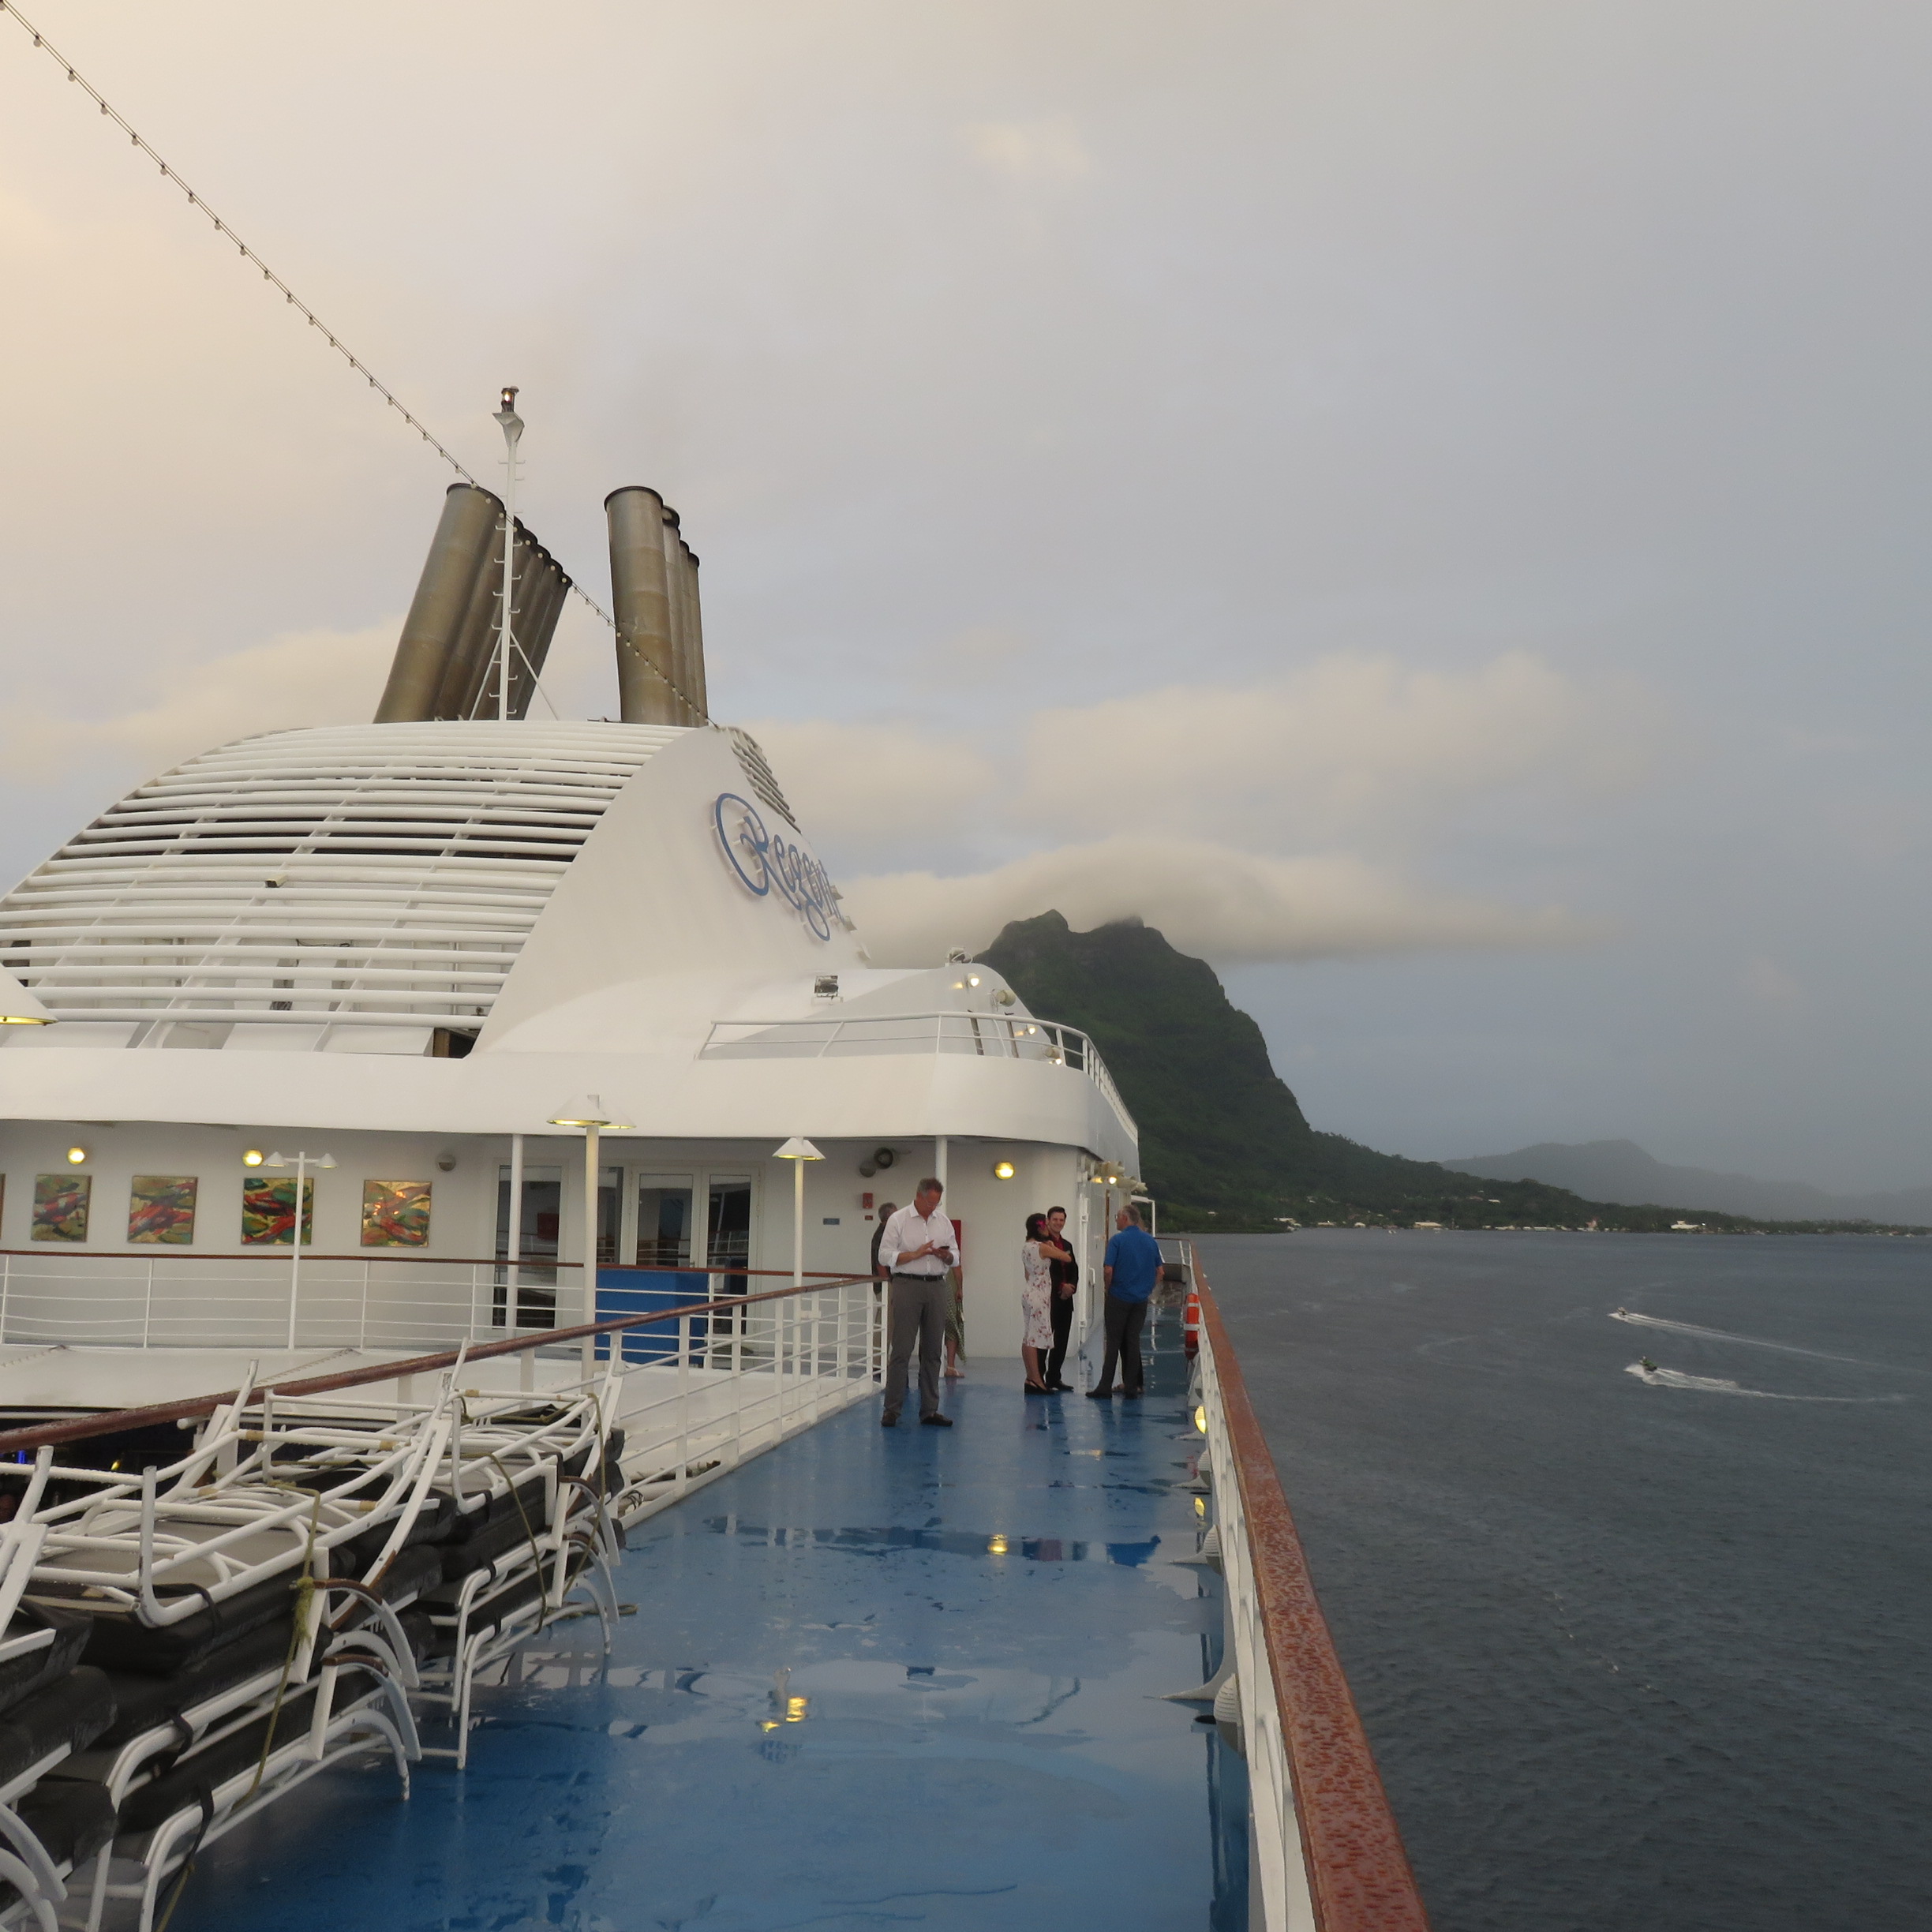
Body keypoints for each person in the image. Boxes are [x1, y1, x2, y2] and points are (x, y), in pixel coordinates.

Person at [876, 1179, 958, 1427]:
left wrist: (946, 1255)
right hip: (907, 1285)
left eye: (937, 1203)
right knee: (901, 1350)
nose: (933, 1208)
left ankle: (930, 1410)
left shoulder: (943, 1222)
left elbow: (956, 1256)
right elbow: (884, 1255)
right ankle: (892, 1410)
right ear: (918, 1196)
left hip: (936, 1286)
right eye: (930, 1202)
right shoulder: (898, 1219)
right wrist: (915, 1254)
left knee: (933, 1351)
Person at [1088, 1204, 1161, 1399]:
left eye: (1117, 1217)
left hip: (1119, 1297)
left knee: (1113, 1342)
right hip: (1140, 1300)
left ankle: (1104, 1386)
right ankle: (1131, 1387)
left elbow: (1108, 1269)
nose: (1116, 1220)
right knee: (1133, 1341)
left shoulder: (1117, 1240)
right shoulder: (1150, 1241)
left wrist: (1108, 1288)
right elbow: (1160, 1271)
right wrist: (1147, 1289)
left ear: (1125, 1218)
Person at [1040, 1204, 1077, 1391]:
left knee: (1061, 1341)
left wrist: (1071, 1287)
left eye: (1061, 1220)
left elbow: (1074, 1269)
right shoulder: (1042, 1245)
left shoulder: (1067, 1245)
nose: (1058, 1223)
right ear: (1048, 1221)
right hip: (1049, 1299)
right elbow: (1045, 1272)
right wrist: (1061, 1287)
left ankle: (1054, 1377)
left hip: (1066, 1300)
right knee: (1044, 1340)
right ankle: (1039, 1378)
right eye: (1055, 1219)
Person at [1020, 1213, 1054, 1391]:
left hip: (1029, 1291)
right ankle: (1036, 1379)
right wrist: (1052, 1246)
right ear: (1039, 1227)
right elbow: (1066, 1257)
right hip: (1039, 1296)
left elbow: (1027, 1273)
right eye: (1046, 1225)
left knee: (1028, 1336)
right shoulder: (1041, 1247)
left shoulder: (1026, 1247)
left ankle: (1030, 1377)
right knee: (1033, 1339)